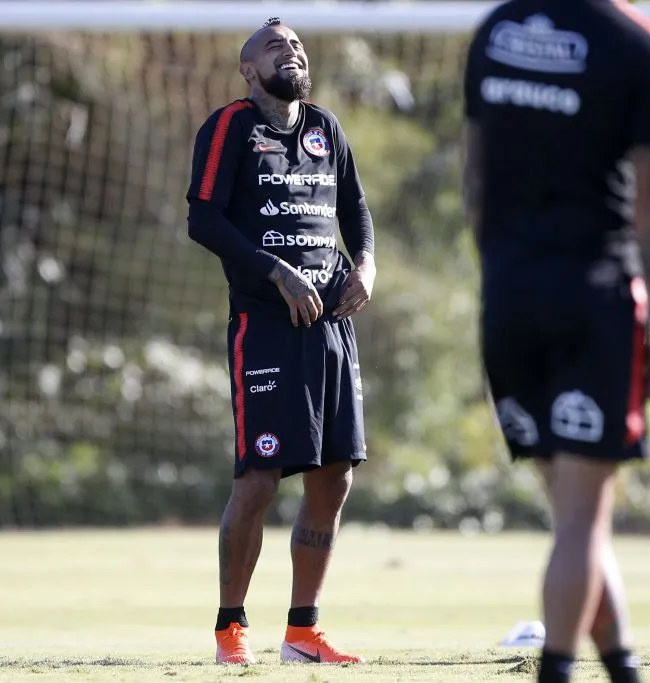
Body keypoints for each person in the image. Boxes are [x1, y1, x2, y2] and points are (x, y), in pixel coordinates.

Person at [462, 2, 650, 681]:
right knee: (583, 520)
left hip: (507, 296)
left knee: (572, 518)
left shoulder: (496, 30)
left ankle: (622, 665)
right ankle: (556, 669)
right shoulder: (643, 44)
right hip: (595, 298)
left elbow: (474, 183)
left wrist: (503, 278)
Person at [185, 17, 376, 666]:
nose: (289, 51)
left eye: (295, 44)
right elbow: (203, 218)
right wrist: (275, 271)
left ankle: (303, 630)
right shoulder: (232, 127)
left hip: (332, 328)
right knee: (260, 477)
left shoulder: (325, 127)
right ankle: (230, 627)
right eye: (273, 46)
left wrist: (367, 266)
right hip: (264, 327)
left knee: (334, 477)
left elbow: (356, 209)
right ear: (247, 68)